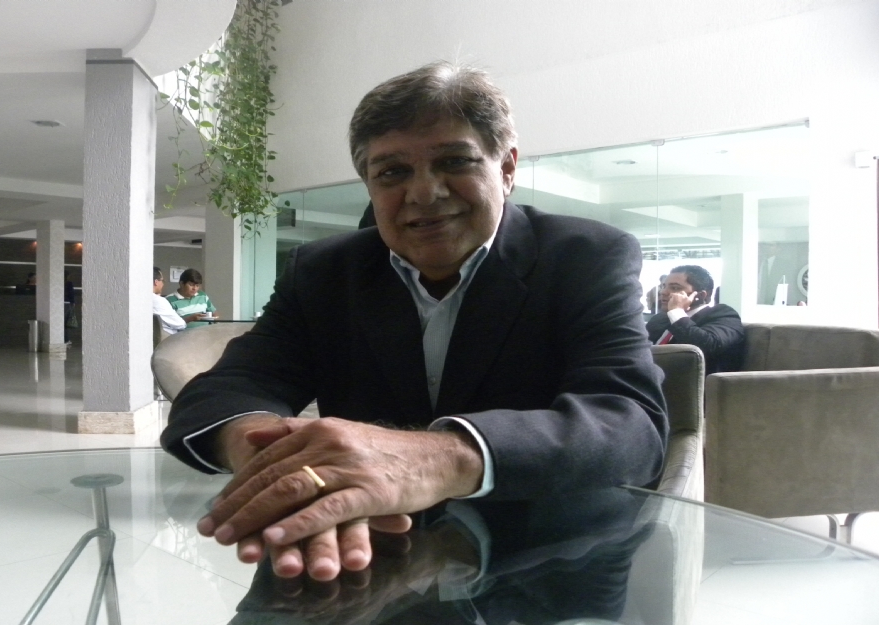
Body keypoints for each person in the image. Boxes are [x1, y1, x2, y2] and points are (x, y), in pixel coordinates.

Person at [161, 62, 667, 584]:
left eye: (454, 161)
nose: (424, 192)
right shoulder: (324, 271)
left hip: (544, 567)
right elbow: (227, 389)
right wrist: (277, 460)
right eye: (392, 172)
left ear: (507, 168)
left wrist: (440, 459)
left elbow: (630, 423)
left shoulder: (585, 255)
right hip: (359, 561)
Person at [646, 264, 745, 373]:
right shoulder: (660, 318)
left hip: (687, 379)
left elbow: (708, 346)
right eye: (663, 286)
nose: (663, 292)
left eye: (675, 288)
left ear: (700, 295)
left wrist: (677, 312)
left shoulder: (723, 314)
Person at [152, 267, 186, 336]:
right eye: (162, 280)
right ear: (156, 282)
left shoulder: (138, 299)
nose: (163, 284)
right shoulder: (159, 301)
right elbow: (181, 324)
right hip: (167, 339)